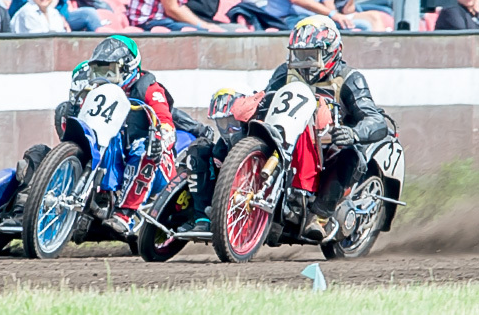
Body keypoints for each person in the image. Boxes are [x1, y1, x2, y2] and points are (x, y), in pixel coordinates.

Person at [263, 15, 388, 241]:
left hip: (332, 146)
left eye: (312, 55)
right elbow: (266, 101)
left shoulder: (349, 78)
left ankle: (320, 216)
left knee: (350, 156)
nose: (305, 62)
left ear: (331, 52)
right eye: (300, 55)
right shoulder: (285, 73)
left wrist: (353, 133)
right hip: (291, 139)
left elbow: (377, 120)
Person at [93, 36, 177, 235]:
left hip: (156, 161)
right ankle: (98, 197)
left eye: (110, 71)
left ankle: (125, 215)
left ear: (127, 68)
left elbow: (167, 125)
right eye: (99, 71)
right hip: (119, 159)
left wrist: (159, 141)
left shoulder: (149, 89)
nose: (103, 78)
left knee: (143, 147)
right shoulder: (98, 92)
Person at [177, 88, 250, 233]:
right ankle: (201, 218)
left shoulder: (259, 142)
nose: (229, 129)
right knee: (199, 148)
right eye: (223, 123)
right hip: (218, 204)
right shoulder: (219, 150)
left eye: (232, 122)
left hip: (254, 204)